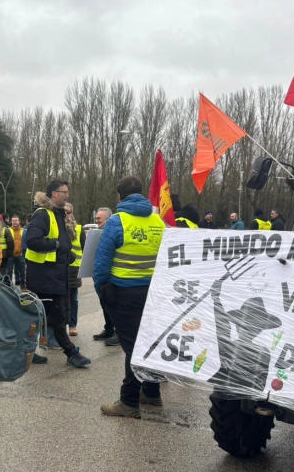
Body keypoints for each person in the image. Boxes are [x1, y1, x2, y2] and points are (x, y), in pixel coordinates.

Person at [95, 175, 166, 418]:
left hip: (124, 294)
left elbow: (102, 264)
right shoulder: (158, 221)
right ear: (142, 194)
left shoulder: (117, 222)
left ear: (119, 196)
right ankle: (152, 392)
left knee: (133, 347)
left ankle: (129, 402)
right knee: (147, 342)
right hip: (152, 292)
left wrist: (102, 292)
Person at [25, 180, 91, 368]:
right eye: (64, 192)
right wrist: (57, 246)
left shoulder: (57, 215)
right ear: (54, 194)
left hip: (55, 276)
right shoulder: (42, 215)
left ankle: (28, 351)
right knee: (55, 317)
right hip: (44, 277)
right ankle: (71, 353)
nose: (67, 195)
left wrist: (66, 253)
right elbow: (32, 241)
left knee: (48, 317)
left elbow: (60, 242)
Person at [92, 207, 120, 346]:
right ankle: (108, 329)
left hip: (111, 276)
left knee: (112, 306)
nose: (97, 221)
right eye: (96, 218)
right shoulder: (97, 233)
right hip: (100, 275)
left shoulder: (112, 232)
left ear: (108, 220)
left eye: (99, 219)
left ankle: (117, 332)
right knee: (104, 305)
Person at [65, 202, 86, 337]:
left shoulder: (79, 229)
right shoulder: (57, 227)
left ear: (72, 213)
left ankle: (72, 325)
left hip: (74, 268)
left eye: (68, 212)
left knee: (73, 298)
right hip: (60, 268)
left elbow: (85, 248)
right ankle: (62, 325)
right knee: (61, 299)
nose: (66, 215)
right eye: (64, 212)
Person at [8, 215, 26, 289]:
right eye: (13, 221)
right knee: (9, 271)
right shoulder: (8, 230)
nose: (14, 222)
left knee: (22, 270)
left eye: (16, 221)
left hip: (20, 253)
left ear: (19, 221)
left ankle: (23, 285)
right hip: (11, 254)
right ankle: (8, 286)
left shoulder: (23, 230)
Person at [0, 214, 14, 279]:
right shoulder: (5, 229)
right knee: (3, 270)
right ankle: (2, 283)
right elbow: (10, 243)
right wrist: (9, 254)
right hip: (4, 254)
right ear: (2, 220)